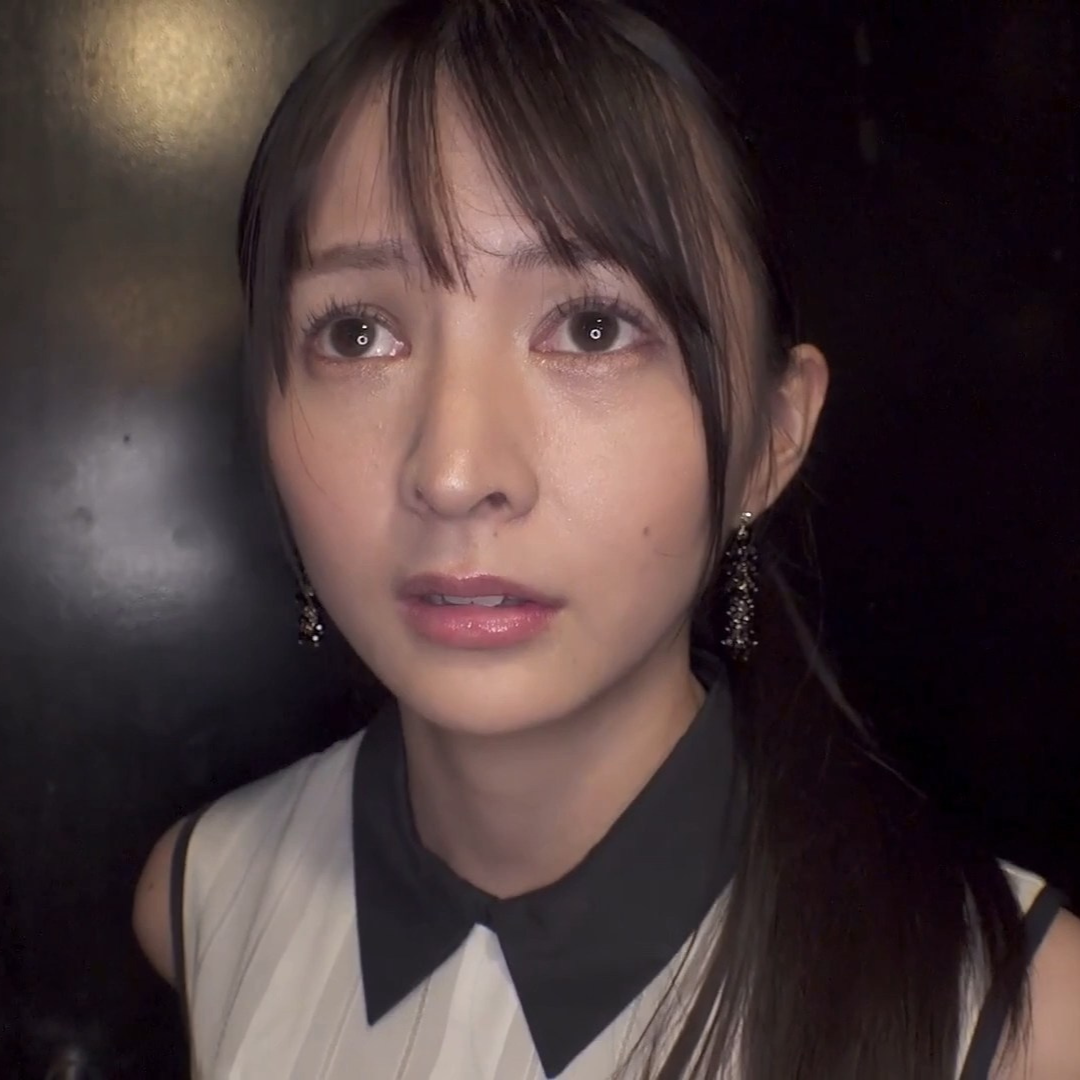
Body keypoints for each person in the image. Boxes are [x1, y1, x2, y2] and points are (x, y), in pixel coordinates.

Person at [131, 1, 1080, 1076]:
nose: (455, 472)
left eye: (592, 327)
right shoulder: (206, 895)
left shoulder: (1014, 1016)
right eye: (358, 333)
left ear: (772, 436)